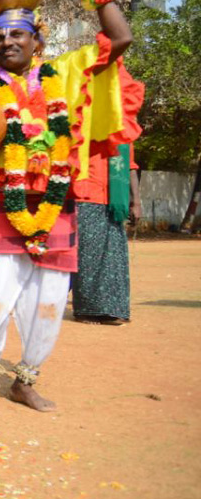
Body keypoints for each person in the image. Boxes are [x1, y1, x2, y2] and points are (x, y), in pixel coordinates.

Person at [0, 0, 137, 414]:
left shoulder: (64, 74)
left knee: (48, 303)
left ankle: (25, 380)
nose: (8, 42)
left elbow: (120, 38)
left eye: (17, 34)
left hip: (57, 205)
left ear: (36, 39)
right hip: (0, 208)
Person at [71, 66, 144, 323]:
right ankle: (88, 310)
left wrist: (136, 201)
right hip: (86, 197)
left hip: (115, 201)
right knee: (88, 257)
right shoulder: (82, 126)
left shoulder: (123, 130)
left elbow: (131, 166)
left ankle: (113, 309)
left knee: (114, 257)